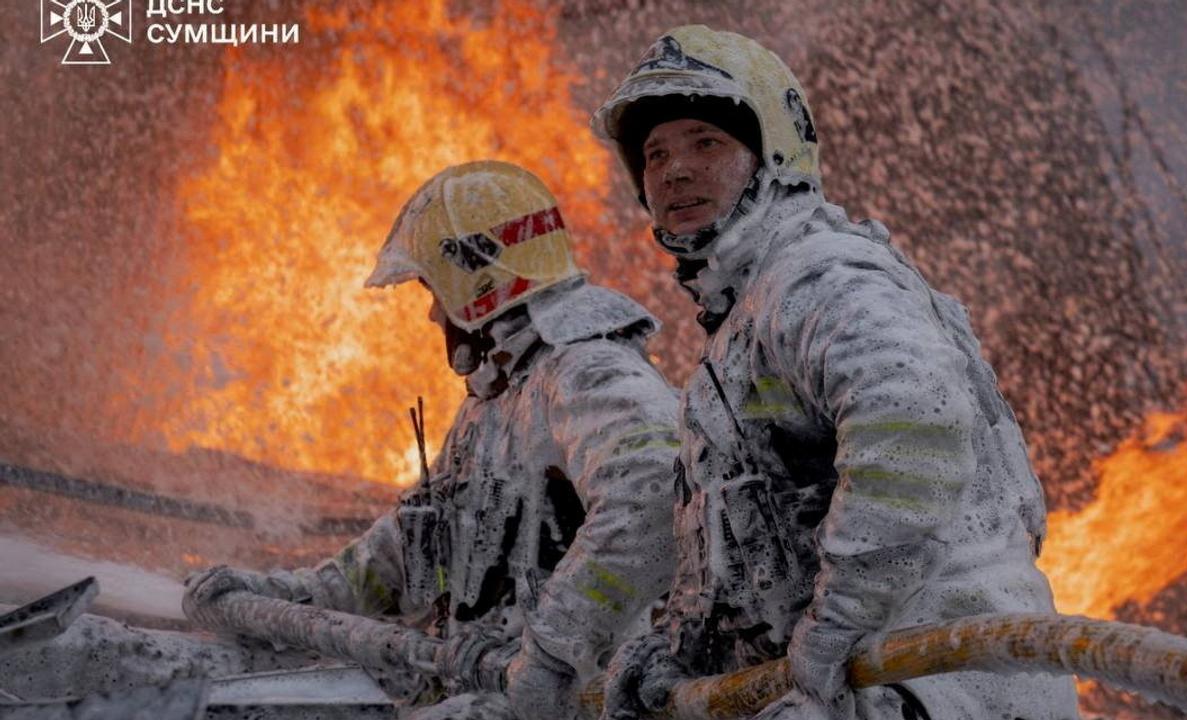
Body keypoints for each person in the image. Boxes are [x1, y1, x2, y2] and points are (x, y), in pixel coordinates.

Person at [591, 26, 1081, 719]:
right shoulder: (743, 323)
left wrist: (835, 631)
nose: (674, 171)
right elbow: (750, 538)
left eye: (705, 142)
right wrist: (678, 648)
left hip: (943, 679)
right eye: (655, 153)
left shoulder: (817, 275)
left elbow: (917, 419)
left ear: (772, 156)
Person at [184, 161, 680, 720]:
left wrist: (550, 656)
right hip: (468, 689)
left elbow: (655, 493)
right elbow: (406, 551)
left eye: (433, 290)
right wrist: (284, 598)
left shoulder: (587, 373)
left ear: (475, 283)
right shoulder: (496, 400)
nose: (430, 313)